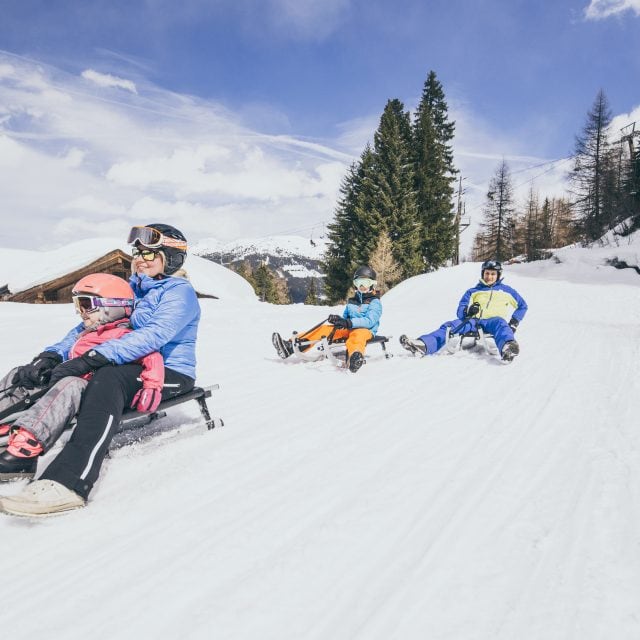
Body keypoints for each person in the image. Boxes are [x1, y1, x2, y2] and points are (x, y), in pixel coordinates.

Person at [0, 223, 200, 517]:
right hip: (122, 362)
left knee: (108, 379)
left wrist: (94, 358)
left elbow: (154, 336)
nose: (141, 259)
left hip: (165, 373)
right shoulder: (130, 288)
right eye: (138, 253)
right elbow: (87, 327)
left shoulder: (178, 293)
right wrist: (53, 355)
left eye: (150, 253)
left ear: (170, 258)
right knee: (28, 374)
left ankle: (68, 482)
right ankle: (17, 451)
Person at [0, 273, 164, 482]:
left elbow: (153, 358)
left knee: (71, 384)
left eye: (87, 304)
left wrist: (152, 387)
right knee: (18, 375)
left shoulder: (125, 336)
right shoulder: (85, 333)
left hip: (88, 389)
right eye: (78, 305)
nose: (81, 312)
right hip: (63, 380)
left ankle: (25, 450)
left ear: (113, 305)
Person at [399, 259, 528, 362]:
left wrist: (514, 322)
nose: (489, 276)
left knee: (502, 325)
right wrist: (468, 312)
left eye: (493, 274)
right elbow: (461, 308)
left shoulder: (507, 291)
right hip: (473, 321)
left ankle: (507, 347)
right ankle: (423, 345)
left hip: (494, 321)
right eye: (487, 273)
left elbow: (522, 306)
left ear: (498, 275)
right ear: (483, 274)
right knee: (450, 326)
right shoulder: (473, 291)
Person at [272, 265, 383, 373]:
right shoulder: (352, 301)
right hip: (349, 328)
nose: (362, 286)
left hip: (366, 330)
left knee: (357, 335)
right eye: (359, 283)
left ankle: (355, 357)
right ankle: (290, 347)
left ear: (372, 284)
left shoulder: (374, 302)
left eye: (366, 283)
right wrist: (339, 320)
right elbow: (346, 318)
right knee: (324, 329)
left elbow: (370, 321)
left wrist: (348, 322)